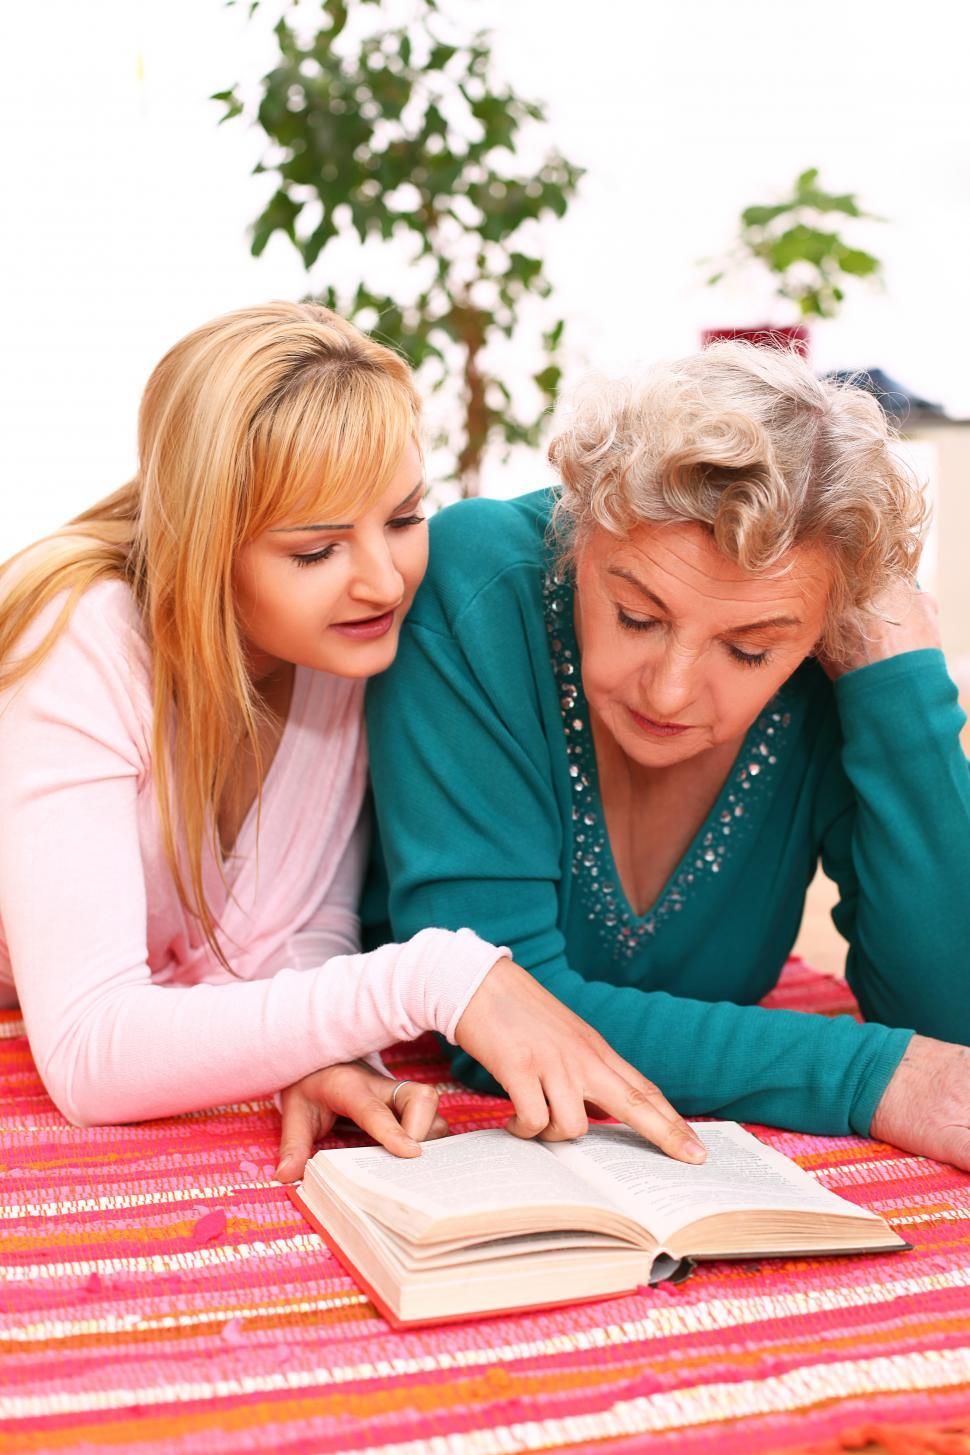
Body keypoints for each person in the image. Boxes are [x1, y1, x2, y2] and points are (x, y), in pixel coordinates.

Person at [0, 302, 706, 1181]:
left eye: (404, 519)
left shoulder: (336, 645)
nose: (382, 579)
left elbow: (301, 931)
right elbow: (88, 1054)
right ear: (204, 547)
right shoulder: (81, 639)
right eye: (315, 549)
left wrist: (326, 1054)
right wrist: (434, 978)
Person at [366, 341, 970, 1170]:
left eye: (751, 651)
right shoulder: (478, 591)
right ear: (577, 535)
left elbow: (951, 1033)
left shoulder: (830, 659)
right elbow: (495, 1015)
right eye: (638, 617)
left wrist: (900, 687)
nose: (671, 692)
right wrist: (864, 1074)